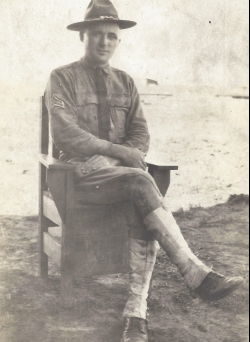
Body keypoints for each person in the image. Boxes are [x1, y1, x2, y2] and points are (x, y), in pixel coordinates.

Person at [45, 1, 244, 341]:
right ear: (82, 36)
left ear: (118, 41)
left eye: (111, 36)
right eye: (97, 35)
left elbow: (141, 136)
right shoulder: (61, 77)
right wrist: (117, 152)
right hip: (76, 177)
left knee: (140, 189)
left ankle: (136, 313)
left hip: (119, 178)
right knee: (142, 181)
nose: (104, 42)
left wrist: (111, 159)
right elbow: (66, 133)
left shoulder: (126, 82)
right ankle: (189, 276)